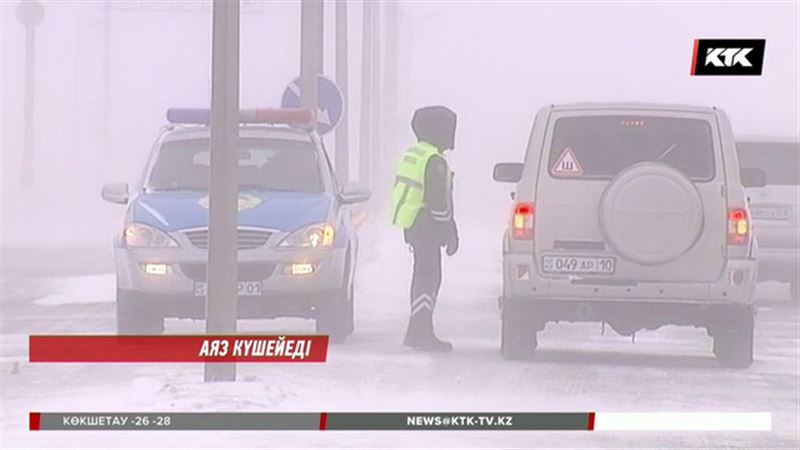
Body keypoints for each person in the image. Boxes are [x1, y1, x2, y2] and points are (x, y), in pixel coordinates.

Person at [391, 106, 459, 352]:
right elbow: (437, 202)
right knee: (429, 278)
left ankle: (417, 329)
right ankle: (421, 332)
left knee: (422, 275)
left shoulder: (415, 153)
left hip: (414, 224)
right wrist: (449, 231)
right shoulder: (434, 161)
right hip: (427, 226)